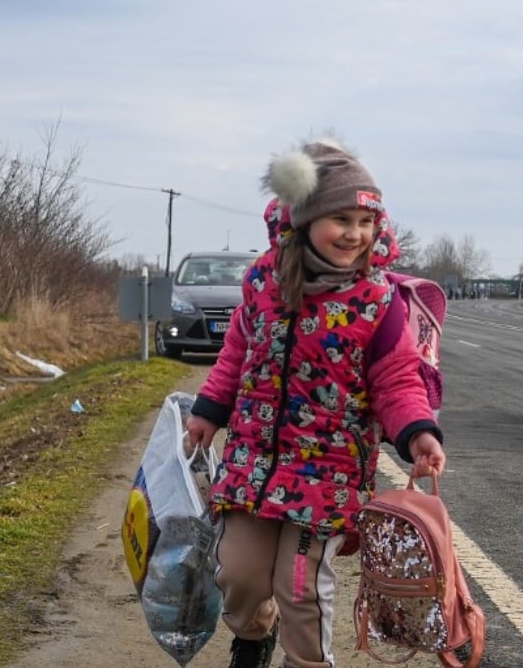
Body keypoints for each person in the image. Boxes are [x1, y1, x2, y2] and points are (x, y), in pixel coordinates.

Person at [186, 136, 447, 668]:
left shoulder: (378, 303)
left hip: (326, 477)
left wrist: (417, 429)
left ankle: (305, 663)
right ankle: (254, 637)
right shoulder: (263, 281)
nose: (354, 234)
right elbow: (238, 350)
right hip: (252, 461)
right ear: (304, 219)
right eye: (340, 219)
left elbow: (397, 378)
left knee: (300, 589)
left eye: (365, 222)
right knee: (239, 574)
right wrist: (209, 410)